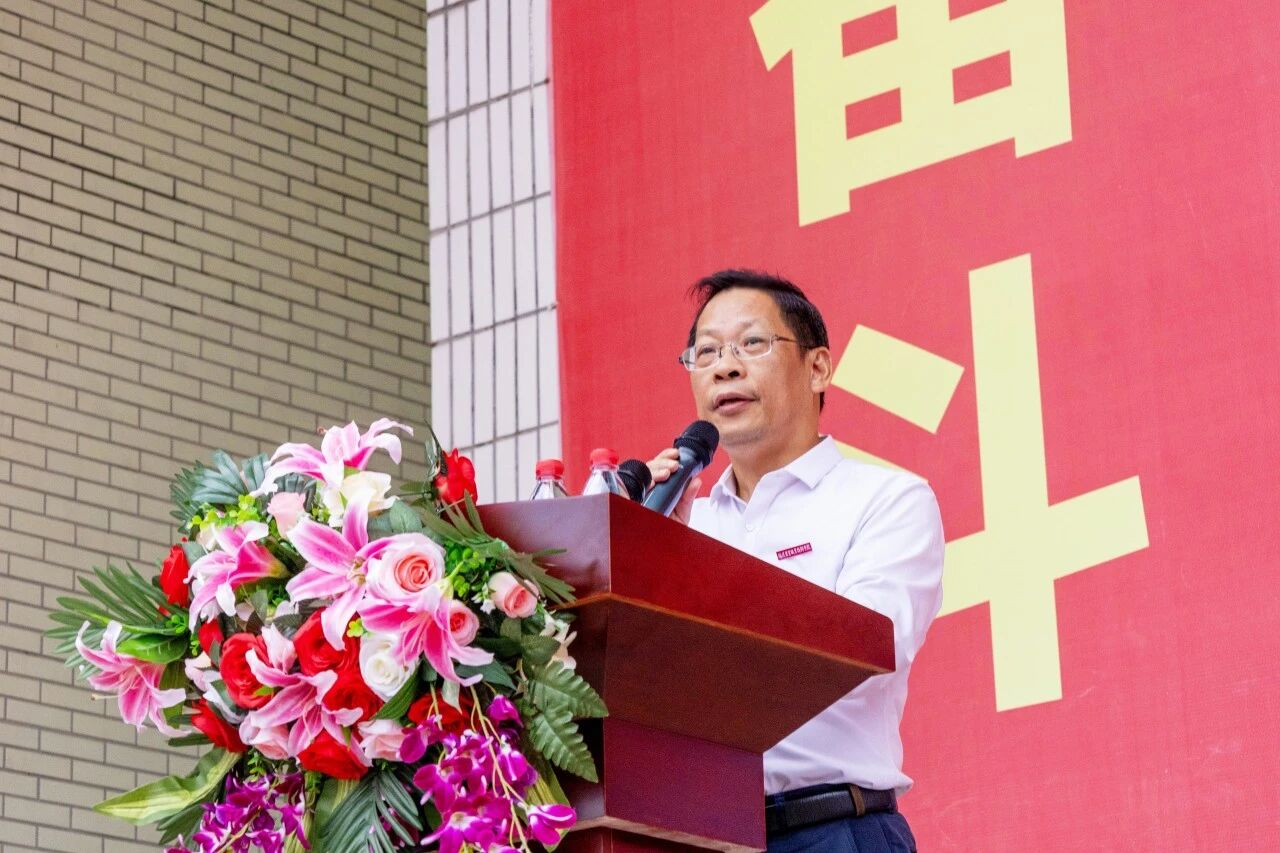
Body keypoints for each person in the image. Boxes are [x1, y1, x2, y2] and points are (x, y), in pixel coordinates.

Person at [648, 269, 944, 853]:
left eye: (751, 344)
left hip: (833, 828)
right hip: (699, 838)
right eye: (706, 353)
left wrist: (691, 581)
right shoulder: (682, 526)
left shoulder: (886, 500)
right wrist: (649, 554)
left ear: (818, 368)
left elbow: (860, 648)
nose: (724, 368)